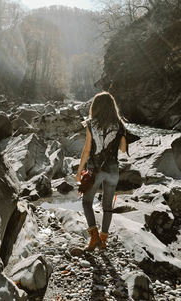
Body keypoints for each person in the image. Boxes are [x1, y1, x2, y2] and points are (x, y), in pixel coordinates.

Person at [75, 91, 127, 251]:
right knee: (107, 207)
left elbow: (87, 149)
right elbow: (123, 149)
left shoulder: (91, 124)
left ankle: (94, 238)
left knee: (86, 202)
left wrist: (79, 171)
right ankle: (103, 241)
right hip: (112, 169)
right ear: (112, 107)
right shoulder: (120, 124)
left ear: (95, 107)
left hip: (95, 169)